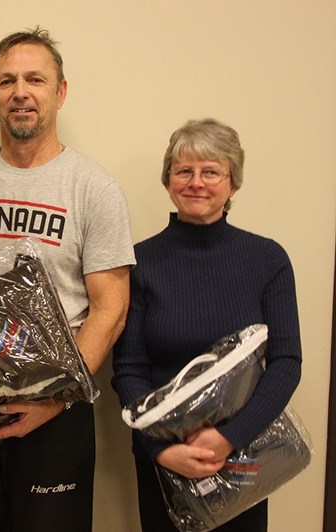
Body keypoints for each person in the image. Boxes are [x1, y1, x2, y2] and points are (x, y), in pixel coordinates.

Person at [0, 27, 135, 531]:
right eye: (6, 81)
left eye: (35, 79)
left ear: (59, 92)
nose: (21, 91)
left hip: (57, 414)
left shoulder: (94, 188)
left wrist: (55, 398)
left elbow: (112, 307)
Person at [112, 118, 302, 531]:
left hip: (243, 454)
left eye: (211, 171)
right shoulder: (139, 264)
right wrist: (159, 449)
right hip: (163, 457)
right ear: (168, 182)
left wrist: (229, 437)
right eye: (184, 171)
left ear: (232, 184)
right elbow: (128, 371)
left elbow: (286, 362)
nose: (196, 182)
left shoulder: (267, 260)